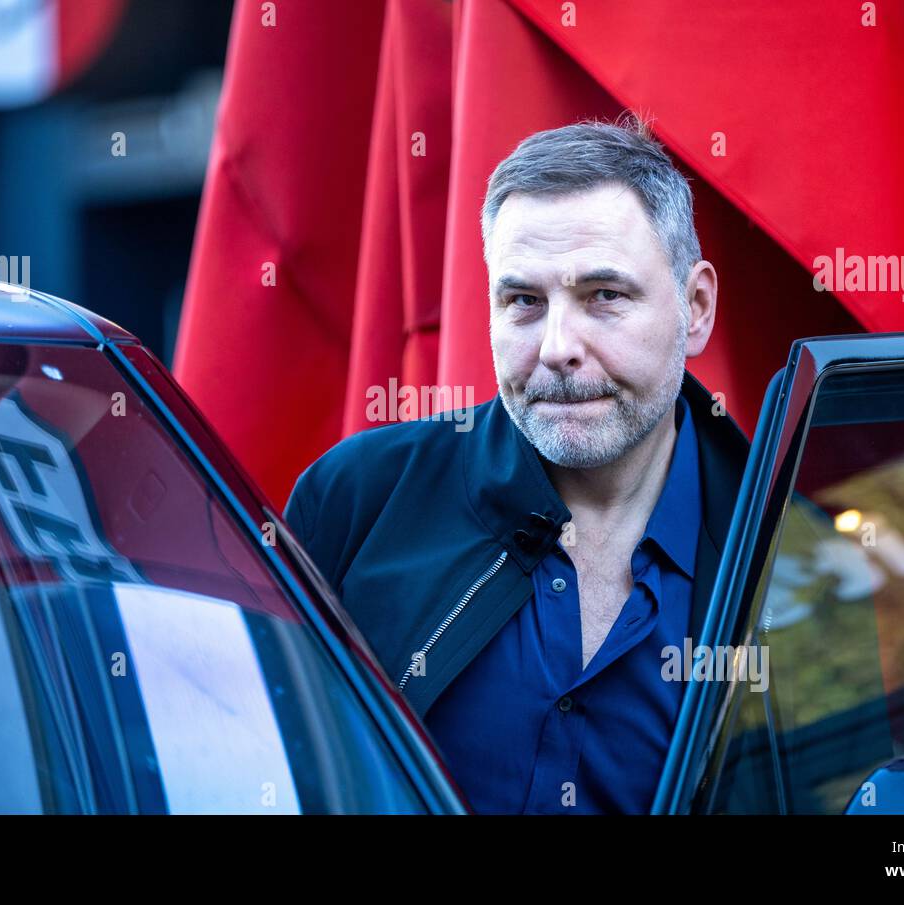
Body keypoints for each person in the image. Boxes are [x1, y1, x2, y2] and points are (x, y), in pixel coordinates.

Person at [284, 115, 749, 813]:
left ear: (697, 306)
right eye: (524, 301)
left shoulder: (787, 563)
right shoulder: (355, 501)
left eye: (604, 296)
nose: (558, 345)